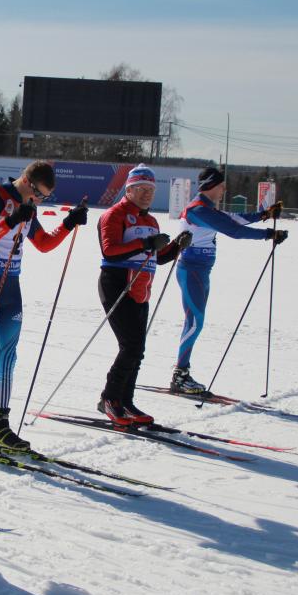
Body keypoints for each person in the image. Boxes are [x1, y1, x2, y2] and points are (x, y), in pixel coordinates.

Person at [0, 161, 88, 452]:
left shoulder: (27, 206)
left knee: (8, 357)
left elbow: (43, 243)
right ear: (27, 182)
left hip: (11, 286)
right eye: (39, 195)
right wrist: (10, 219)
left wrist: (69, 223)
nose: (39, 201)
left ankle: (0, 425)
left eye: (44, 198)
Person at [171, 167, 287, 395]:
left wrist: (265, 215)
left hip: (200, 271)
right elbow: (232, 230)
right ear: (212, 186)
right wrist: (268, 234)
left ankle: (181, 374)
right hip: (191, 270)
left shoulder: (206, 208)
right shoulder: (197, 210)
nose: (224, 189)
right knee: (195, 323)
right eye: (222, 185)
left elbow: (233, 219)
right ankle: (180, 375)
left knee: (194, 322)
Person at [96, 164, 191, 425]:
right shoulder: (115, 214)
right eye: (141, 189)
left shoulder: (150, 220)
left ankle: (125, 401)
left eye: (151, 189)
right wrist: (146, 243)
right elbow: (110, 250)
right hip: (117, 283)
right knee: (131, 346)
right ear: (129, 189)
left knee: (137, 350)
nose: (148, 194)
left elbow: (158, 258)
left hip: (141, 287)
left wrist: (174, 248)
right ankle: (109, 399)